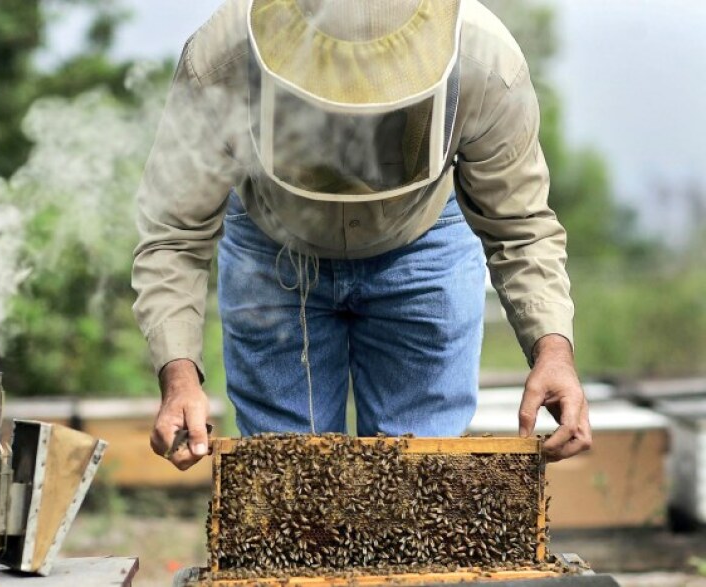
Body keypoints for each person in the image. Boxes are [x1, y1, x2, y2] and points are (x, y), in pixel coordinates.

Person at [132, 0, 592, 471]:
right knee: (289, 482)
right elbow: (173, 232)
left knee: (420, 482)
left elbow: (522, 226)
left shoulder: (487, 63)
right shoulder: (220, 60)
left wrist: (552, 349)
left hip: (423, 238)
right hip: (274, 248)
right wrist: (179, 375)